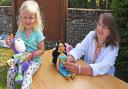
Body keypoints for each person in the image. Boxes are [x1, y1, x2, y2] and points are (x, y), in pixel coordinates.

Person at [6, 0, 45, 89]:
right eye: (25, 17)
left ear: (35, 18)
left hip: (34, 61)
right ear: (21, 18)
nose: (28, 20)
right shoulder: (20, 32)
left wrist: (31, 55)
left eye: (31, 17)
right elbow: (16, 49)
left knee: (27, 73)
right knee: (10, 72)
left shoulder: (37, 33)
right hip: (21, 59)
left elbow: (42, 50)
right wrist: (11, 44)